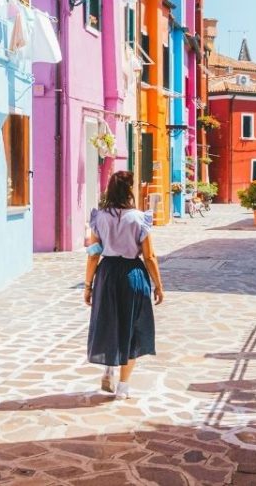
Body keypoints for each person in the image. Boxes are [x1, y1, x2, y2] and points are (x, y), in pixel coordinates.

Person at [83, 170, 165, 399]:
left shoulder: (99, 218)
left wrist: (88, 285)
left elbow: (93, 254)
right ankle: (123, 387)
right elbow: (149, 256)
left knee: (108, 321)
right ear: (130, 190)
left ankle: (109, 367)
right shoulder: (140, 218)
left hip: (107, 274)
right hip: (132, 274)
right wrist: (159, 285)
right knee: (132, 328)